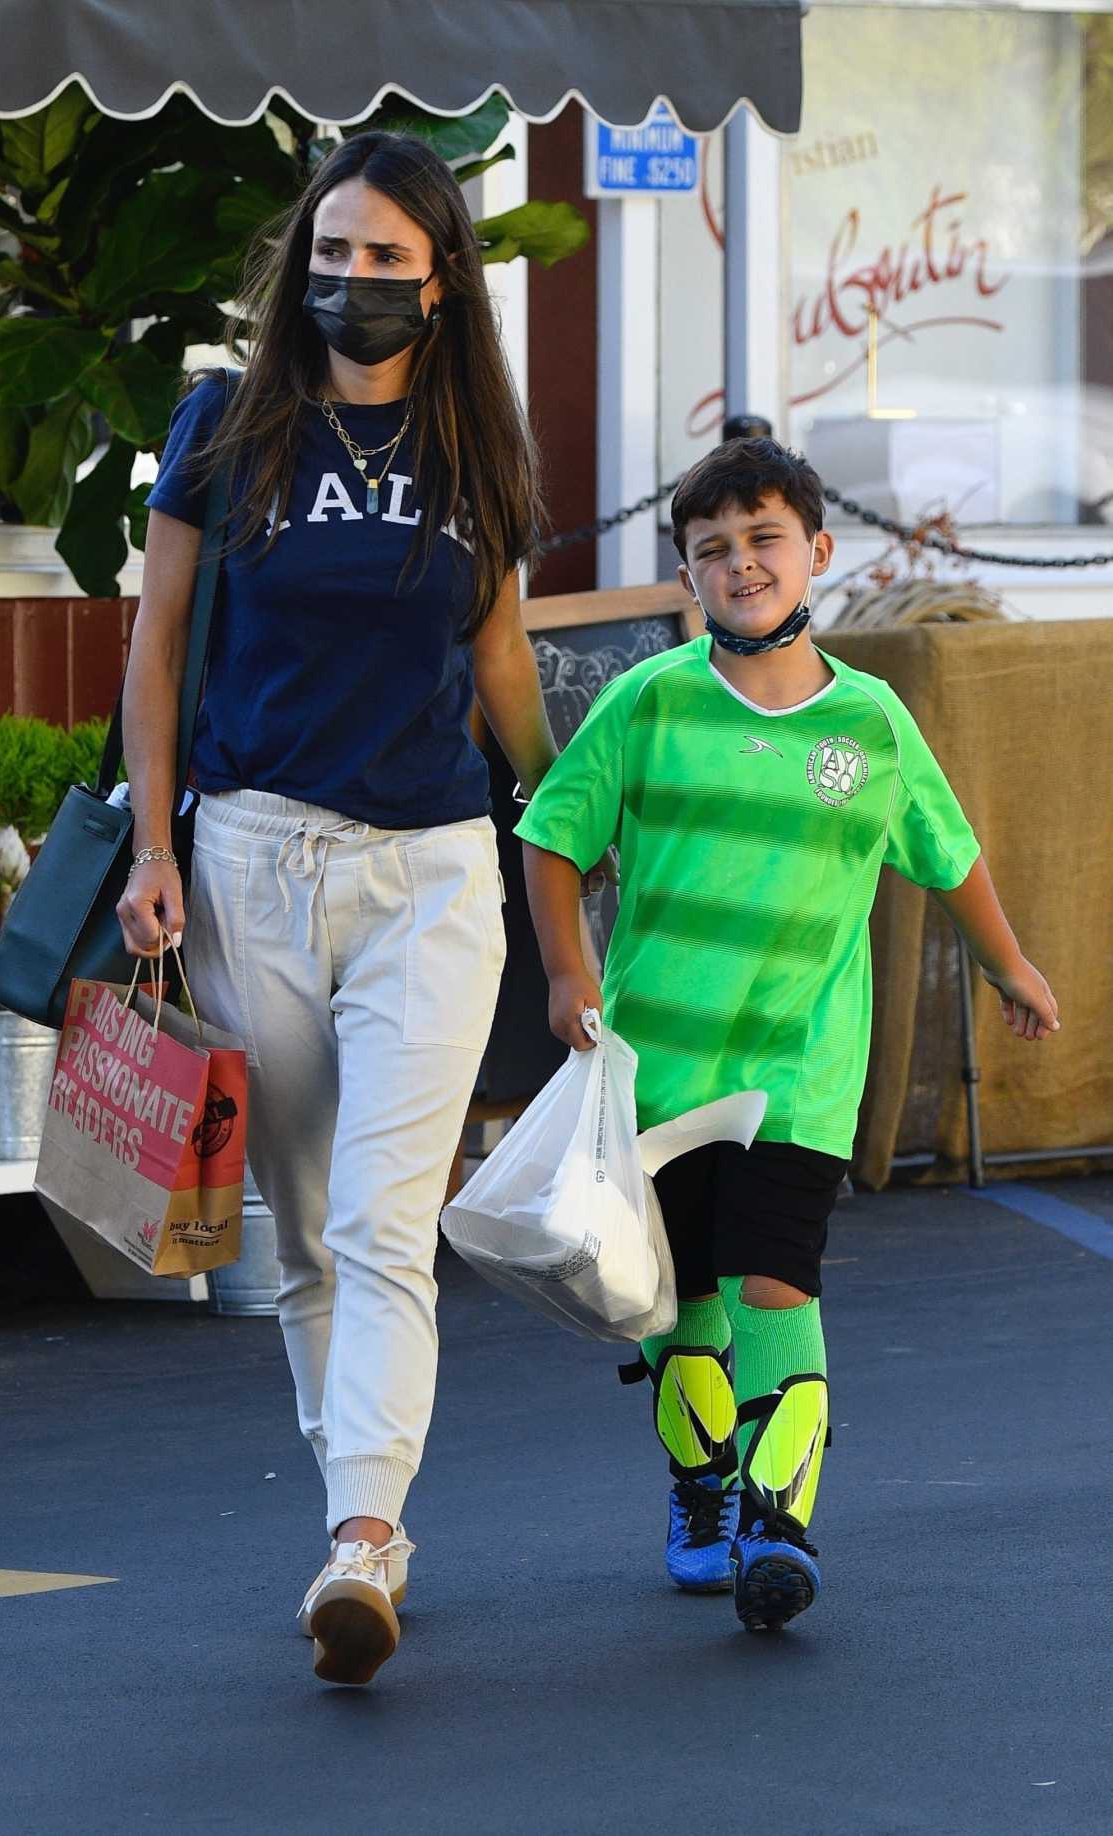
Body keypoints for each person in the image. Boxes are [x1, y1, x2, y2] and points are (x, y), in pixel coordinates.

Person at [118, 131, 569, 1687]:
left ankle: (365, 1537)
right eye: (334, 252)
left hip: (433, 873)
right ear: (300, 261)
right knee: (304, 1232)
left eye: (386, 257)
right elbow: (158, 640)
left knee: (385, 1223)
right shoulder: (226, 424)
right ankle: (351, 1517)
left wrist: (564, 819)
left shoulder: (477, 443)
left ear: (439, 279)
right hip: (250, 857)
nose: (353, 279)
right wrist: (153, 847)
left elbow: (501, 656)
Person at [514, 437, 1059, 1633]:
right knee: (682, 1302)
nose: (740, 564)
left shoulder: (869, 724)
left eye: (763, 540)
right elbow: (551, 835)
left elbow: (947, 853)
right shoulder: (646, 703)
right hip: (661, 1069)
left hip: (800, 1074)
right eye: (711, 550)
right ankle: (700, 1487)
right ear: (686, 580)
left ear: (816, 552)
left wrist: (1008, 963)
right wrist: (567, 971)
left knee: (775, 1279)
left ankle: (777, 1521)